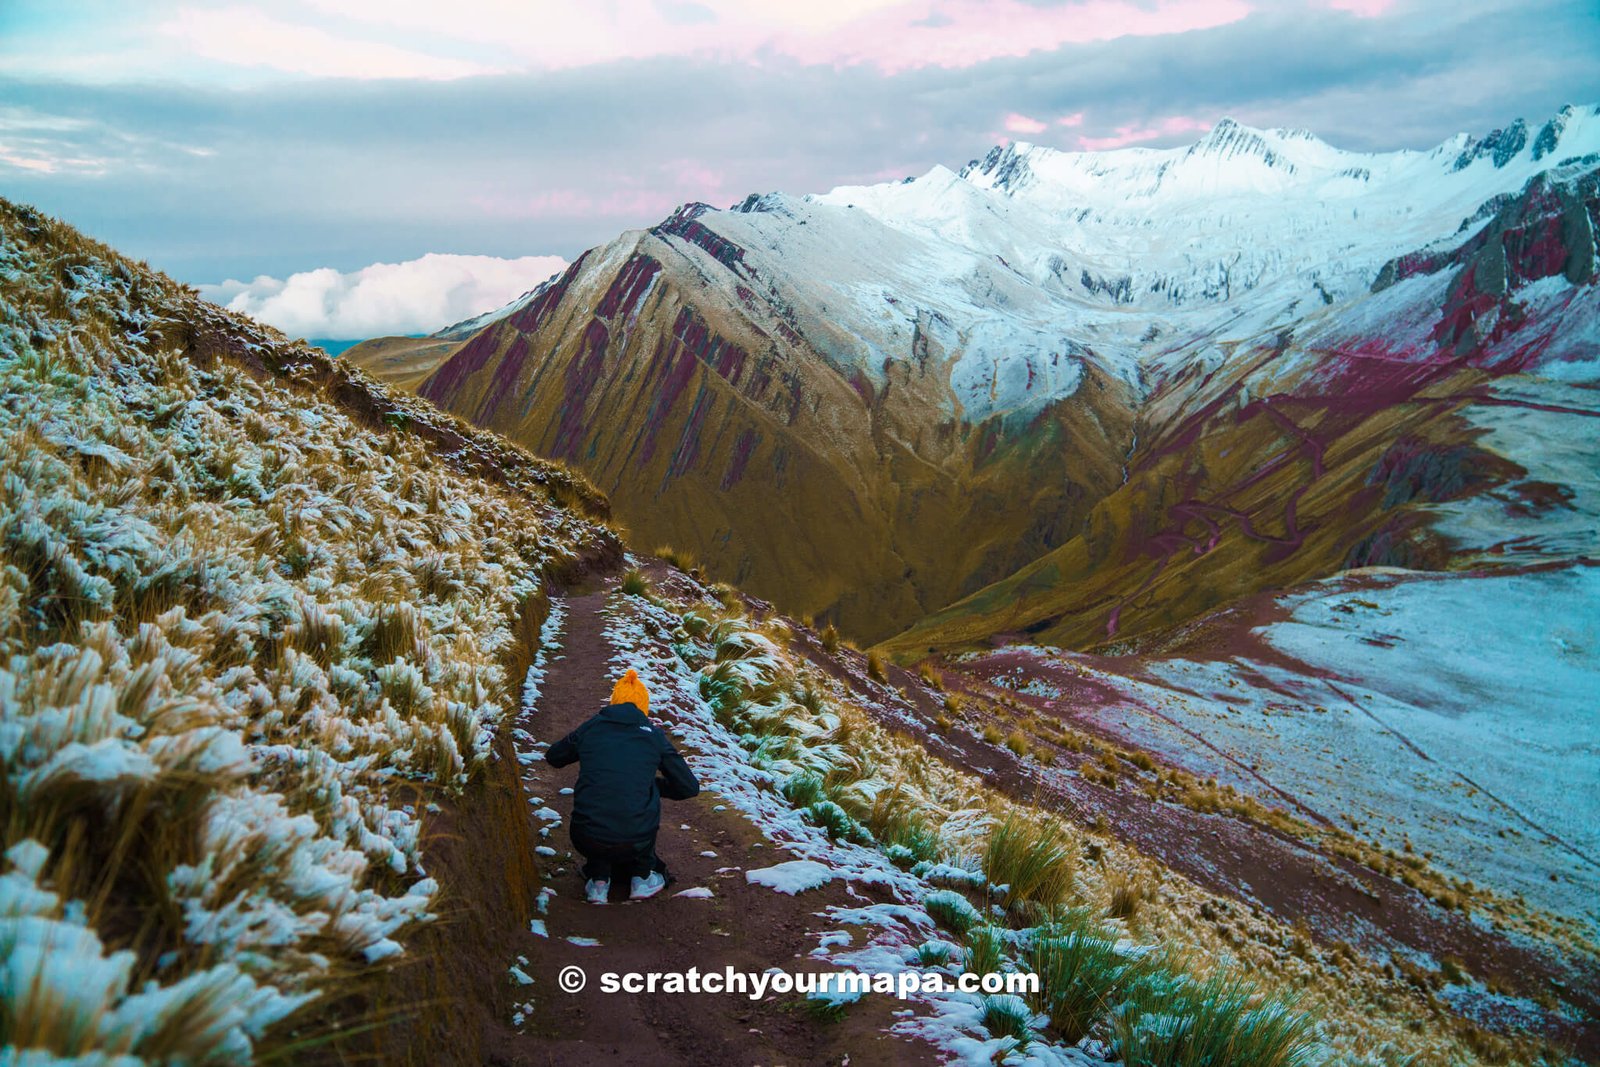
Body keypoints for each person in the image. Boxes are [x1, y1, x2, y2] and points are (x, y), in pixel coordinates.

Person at [545, 668, 700, 903]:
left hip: (584, 837)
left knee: (603, 797)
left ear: (613, 701)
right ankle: (642, 877)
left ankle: (599, 880)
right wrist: (654, 786)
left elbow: (554, 757)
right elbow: (689, 787)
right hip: (636, 840)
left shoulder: (592, 727)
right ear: (644, 707)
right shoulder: (654, 736)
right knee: (640, 798)